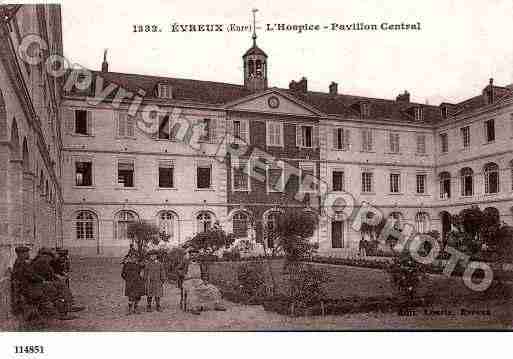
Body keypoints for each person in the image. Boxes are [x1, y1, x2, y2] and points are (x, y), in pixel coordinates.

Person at [31, 248, 84, 319]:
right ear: (45, 256)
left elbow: (50, 273)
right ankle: (63, 311)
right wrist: (55, 278)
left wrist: (56, 277)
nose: (50, 259)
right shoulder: (41, 262)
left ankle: (68, 306)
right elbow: (48, 274)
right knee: (58, 287)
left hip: (39, 283)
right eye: (50, 257)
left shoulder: (41, 261)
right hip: (37, 285)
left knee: (60, 285)